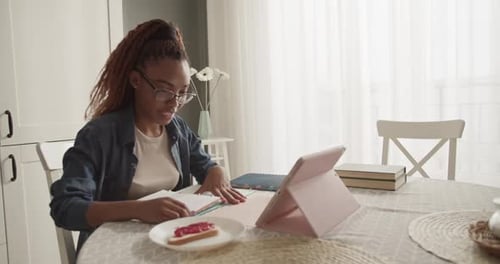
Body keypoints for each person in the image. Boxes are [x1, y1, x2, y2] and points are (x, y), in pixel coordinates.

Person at [49, 19, 246, 250]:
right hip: (114, 249)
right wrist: (139, 209)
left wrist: (217, 171)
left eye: (182, 93)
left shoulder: (178, 130)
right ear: (136, 80)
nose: (175, 103)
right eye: (164, 90)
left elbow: (205, 164)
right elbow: (66, 207)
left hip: (168, 245)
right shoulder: (99, 135)